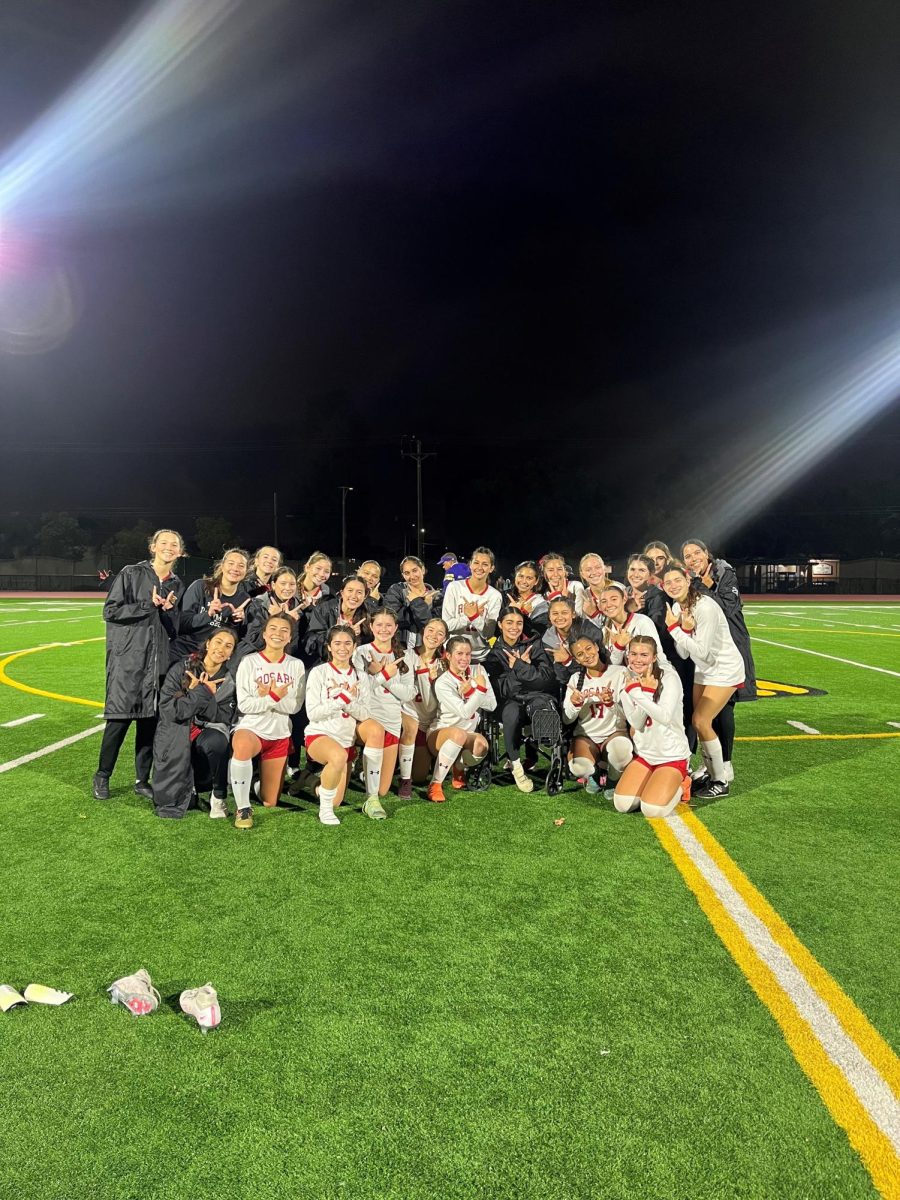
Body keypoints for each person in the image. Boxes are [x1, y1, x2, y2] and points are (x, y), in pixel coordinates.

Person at [92, 528, 186, 802]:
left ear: (180, 552)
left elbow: (173, 628)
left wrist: (167, 611)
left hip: (158, 662)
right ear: (153, 547)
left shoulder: (176, 584)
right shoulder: (131, 573)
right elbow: (110, 611)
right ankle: (102, 775)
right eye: (164, 543)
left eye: (175, 545)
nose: (169, 548)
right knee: (118, 720)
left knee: (149, 722)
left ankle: (141, 779)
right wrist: (147, 605)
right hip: (129, 660)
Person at [662, 563, 745, 798]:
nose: (673, 586)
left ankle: (721, 780)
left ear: (688, 580)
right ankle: (711, 771)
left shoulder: (705, 607)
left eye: (677, 580)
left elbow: (704, 652)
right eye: (668, 583)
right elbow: (685, 653)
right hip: (705, 668)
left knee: (701, 720)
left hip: (724, 668)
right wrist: (683, 630)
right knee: (698, 722)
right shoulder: (678, 607)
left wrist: (674, 629)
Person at [151, 628, 238, 820]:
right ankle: (189, 786)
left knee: (217, 742)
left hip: (207, 731)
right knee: (178, 801)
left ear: (232, 653)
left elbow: (222, 716)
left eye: (228, 646)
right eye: (218, 642)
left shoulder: (230, 681)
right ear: (208, 644)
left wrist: (203, 696)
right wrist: (201, 693)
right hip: (177, 730)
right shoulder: (182, 668)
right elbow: (171, 711)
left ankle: (218, 796)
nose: (221, 648)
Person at [230, 614, 306, 829]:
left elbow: (294, 707)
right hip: (251, 728)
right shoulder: (249, 661)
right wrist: (275, 697)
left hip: (280, 732)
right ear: (264, 634)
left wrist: (267, 697)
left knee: (270, 801)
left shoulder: (296, 665)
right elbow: (245, 705)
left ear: (290, 637)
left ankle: (252, 780)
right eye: (273, 628)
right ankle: (243, 808)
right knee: (243, 745)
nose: (278, 634)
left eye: (284, 630)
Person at [613, 635, 691, 818]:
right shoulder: (627, 679)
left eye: (644, 655)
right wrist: (645, 694)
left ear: (654, 657)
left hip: (671, 755)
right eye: (633, 654)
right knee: (622, 805)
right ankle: (653, 780)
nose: (637, 660)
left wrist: (639, 694)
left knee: (652, 810)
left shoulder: (669, 677)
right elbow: (637, 724)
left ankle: (684, 783)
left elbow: (664, 717)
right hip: (645, 754)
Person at [304, 625, 371, 825]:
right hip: (320, 734)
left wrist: (347, 701)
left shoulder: (361, 676)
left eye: (348, 643)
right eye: (337, 643)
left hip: (346, 740)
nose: (343, 648)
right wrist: (341, 699)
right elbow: (313, 713)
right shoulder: (319, 672)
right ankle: (324, 812)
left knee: (336, 800)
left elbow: (365, 713)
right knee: (337, 756)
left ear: (355, 646)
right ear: (329, 647)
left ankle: (309, 779)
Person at [352, 608, 416, 816]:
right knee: (373, 734)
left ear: (396, 628)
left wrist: (383, 676)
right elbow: (360, 691)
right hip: (367, 716)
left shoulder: (404, 655)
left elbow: (408, 694)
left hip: (391, 718)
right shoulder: (361, 652)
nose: (384, 629)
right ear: (371, 627)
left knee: (384, 789)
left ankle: (365, 770)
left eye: (389, 625)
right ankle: (368, 795)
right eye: (379, 624)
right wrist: (381, 675)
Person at [485, 608, 556, 793]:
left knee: (541, 703)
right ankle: (516, 766)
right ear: (500, 625)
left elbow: (545, 679)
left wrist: (518, 667)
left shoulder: (534, 644)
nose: (514, 627)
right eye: (509, 622)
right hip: (509, 703)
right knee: (511, 711)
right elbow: (502, 691)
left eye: (519, 623)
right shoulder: (493, 654)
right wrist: (522, 670)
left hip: (535, 698)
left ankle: (548, 737)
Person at [681, 539, 757, 702]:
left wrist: (708, 586)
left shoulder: (724, 573)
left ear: (706, 553)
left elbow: (729, 609)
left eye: (696, 553)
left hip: (728, 645)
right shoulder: (690, 581)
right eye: (687, 556)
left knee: (725, 708)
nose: (693, 558)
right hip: (706, 648)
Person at [426, 635, 496, 803]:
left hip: (466, 733)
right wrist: (479, 690)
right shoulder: (443, 682)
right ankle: (435, 784)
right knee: (458, 734)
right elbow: (464, 712)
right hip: (440, 734)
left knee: (481, 746)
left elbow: (492, 705)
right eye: (459, 654)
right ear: (448, 656)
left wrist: (472, 692)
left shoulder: (478, 671)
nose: (464, 658)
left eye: (468, 654)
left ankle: (458, 768)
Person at [563, 636, 633, 793]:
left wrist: (610, 703)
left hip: (614, 733)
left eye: (588, 648)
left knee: (622, 752)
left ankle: (613, 779)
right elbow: (567, 719)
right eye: (580, 654)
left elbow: (630, 715)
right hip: (586, 736)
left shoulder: (620, 673)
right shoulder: (576, 680)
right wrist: (575, 704)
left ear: (596, 647)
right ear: (576, 660)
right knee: (579, 768)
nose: (587, 655)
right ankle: (594, 773)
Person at [170, 548, 251, 664]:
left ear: (246, 571)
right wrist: (208, 615)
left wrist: (236, 622)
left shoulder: (244, 599)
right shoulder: (200, 587)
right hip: (184, 649)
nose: (235, 569)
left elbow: (240, 638)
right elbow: (182, 623)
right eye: (231, 563)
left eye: (241, 565)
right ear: (222, 566)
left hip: (215, 657)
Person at [401, 617, 448, 787]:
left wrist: (434, 681)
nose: (434, 635)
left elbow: (435, 704)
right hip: (408, 712)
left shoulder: (445, 665)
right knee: (410, 728)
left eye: (440, 633)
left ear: (444, 639)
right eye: (430, 630)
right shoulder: (406, 655)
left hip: (429, 720)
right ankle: (402, 779)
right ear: (423, 632)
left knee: (420, 777)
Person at [442, 546, 502, 662]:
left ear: (491, 568)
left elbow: (488, 634)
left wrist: (474, 617)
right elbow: (446, 626)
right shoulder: (454, 587)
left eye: (485, 564)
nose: (479, 568)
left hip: (480, 656)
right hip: (453, 654)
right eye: (476, 563)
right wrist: (469, 617)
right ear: (470, 564)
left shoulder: (495, 596)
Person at [303, 574, 373, 664]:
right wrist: (333, 633)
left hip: (355, 666)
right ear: (342, 592)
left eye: (359, 592)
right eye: (350, 590)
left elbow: (371, 645)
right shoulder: (324, 609)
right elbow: (310, 643)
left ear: (365, 596)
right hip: (324, 664)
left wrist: (359, 636)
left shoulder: (368, 614)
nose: (354, 596)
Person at [598, 582, 667, 665]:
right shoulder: (605, 631)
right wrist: (618, 646)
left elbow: (658, 656)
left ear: (624, 600)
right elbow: (613, 666)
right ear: (600, 607)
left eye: (614, 599)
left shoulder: (642, 621)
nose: (609, 605)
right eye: (604, 601)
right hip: (626, 676)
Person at [540, 597, 599, 691]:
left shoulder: (588, 630)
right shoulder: (548, 640)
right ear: (549, 617)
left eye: (564, 612)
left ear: (573, 614)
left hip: (598, 677)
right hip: (571, 686)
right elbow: (562, 679)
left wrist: (568, 661)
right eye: (555, 613)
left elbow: (597, 664)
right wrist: (563, 664)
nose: (559, 617)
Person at [384, 556, 441, 649]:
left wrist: (416, 603)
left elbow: (431, 626)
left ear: (422, 569)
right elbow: (391, 619)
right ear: (403, 575)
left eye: (415, 570)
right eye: (407, 573)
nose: (412, 576)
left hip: (425, 650)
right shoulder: (396, 590)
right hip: (399, 648)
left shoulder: (437, 597)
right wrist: (422, 605)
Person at [502, 560, 549, 635]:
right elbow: (497, 629)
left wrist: (522, 614)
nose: (524, 581)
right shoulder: (504, 597)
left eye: (529, 578)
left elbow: (538, 633)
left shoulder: (541, 604)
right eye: (521, 576)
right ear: (515, 576)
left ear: (536, 581)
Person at [625, 554, 667, 625]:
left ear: (650, 574)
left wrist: (635, 612)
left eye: (641, 570)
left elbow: (655, 629)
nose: (635, 575)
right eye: (632, 569)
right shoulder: (625, 592)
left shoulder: (658, 597)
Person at [578, 553, 611, 628]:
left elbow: (620, 623)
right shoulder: (582, 596)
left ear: (604, 569)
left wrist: (594, 614)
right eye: (588, 569)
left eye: (597, 567)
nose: (594, 572)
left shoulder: (618, 588)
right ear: (582, 574)